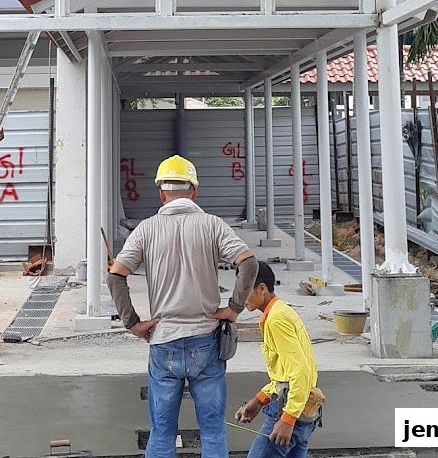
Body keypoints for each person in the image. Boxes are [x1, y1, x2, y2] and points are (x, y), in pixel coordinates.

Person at [107, 154, 258, 458]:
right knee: (213, 430)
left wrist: (133, 324)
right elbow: (249, 263)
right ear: (194, 190)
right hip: (207, 342)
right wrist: (233, 308)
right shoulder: (213, 225)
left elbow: (115, 277)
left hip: (164, 343)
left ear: (161, 193)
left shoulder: (145, 230)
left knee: (162, 433)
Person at [235, 262, 323, 458]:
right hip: (304, 412)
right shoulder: (281, 311)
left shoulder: (276, 319)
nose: (240, 298)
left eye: (244, 290)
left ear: (262, 289)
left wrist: (288, 419)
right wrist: (259, 400)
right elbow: (285, 373)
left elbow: (299, 371)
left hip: (290, 411)